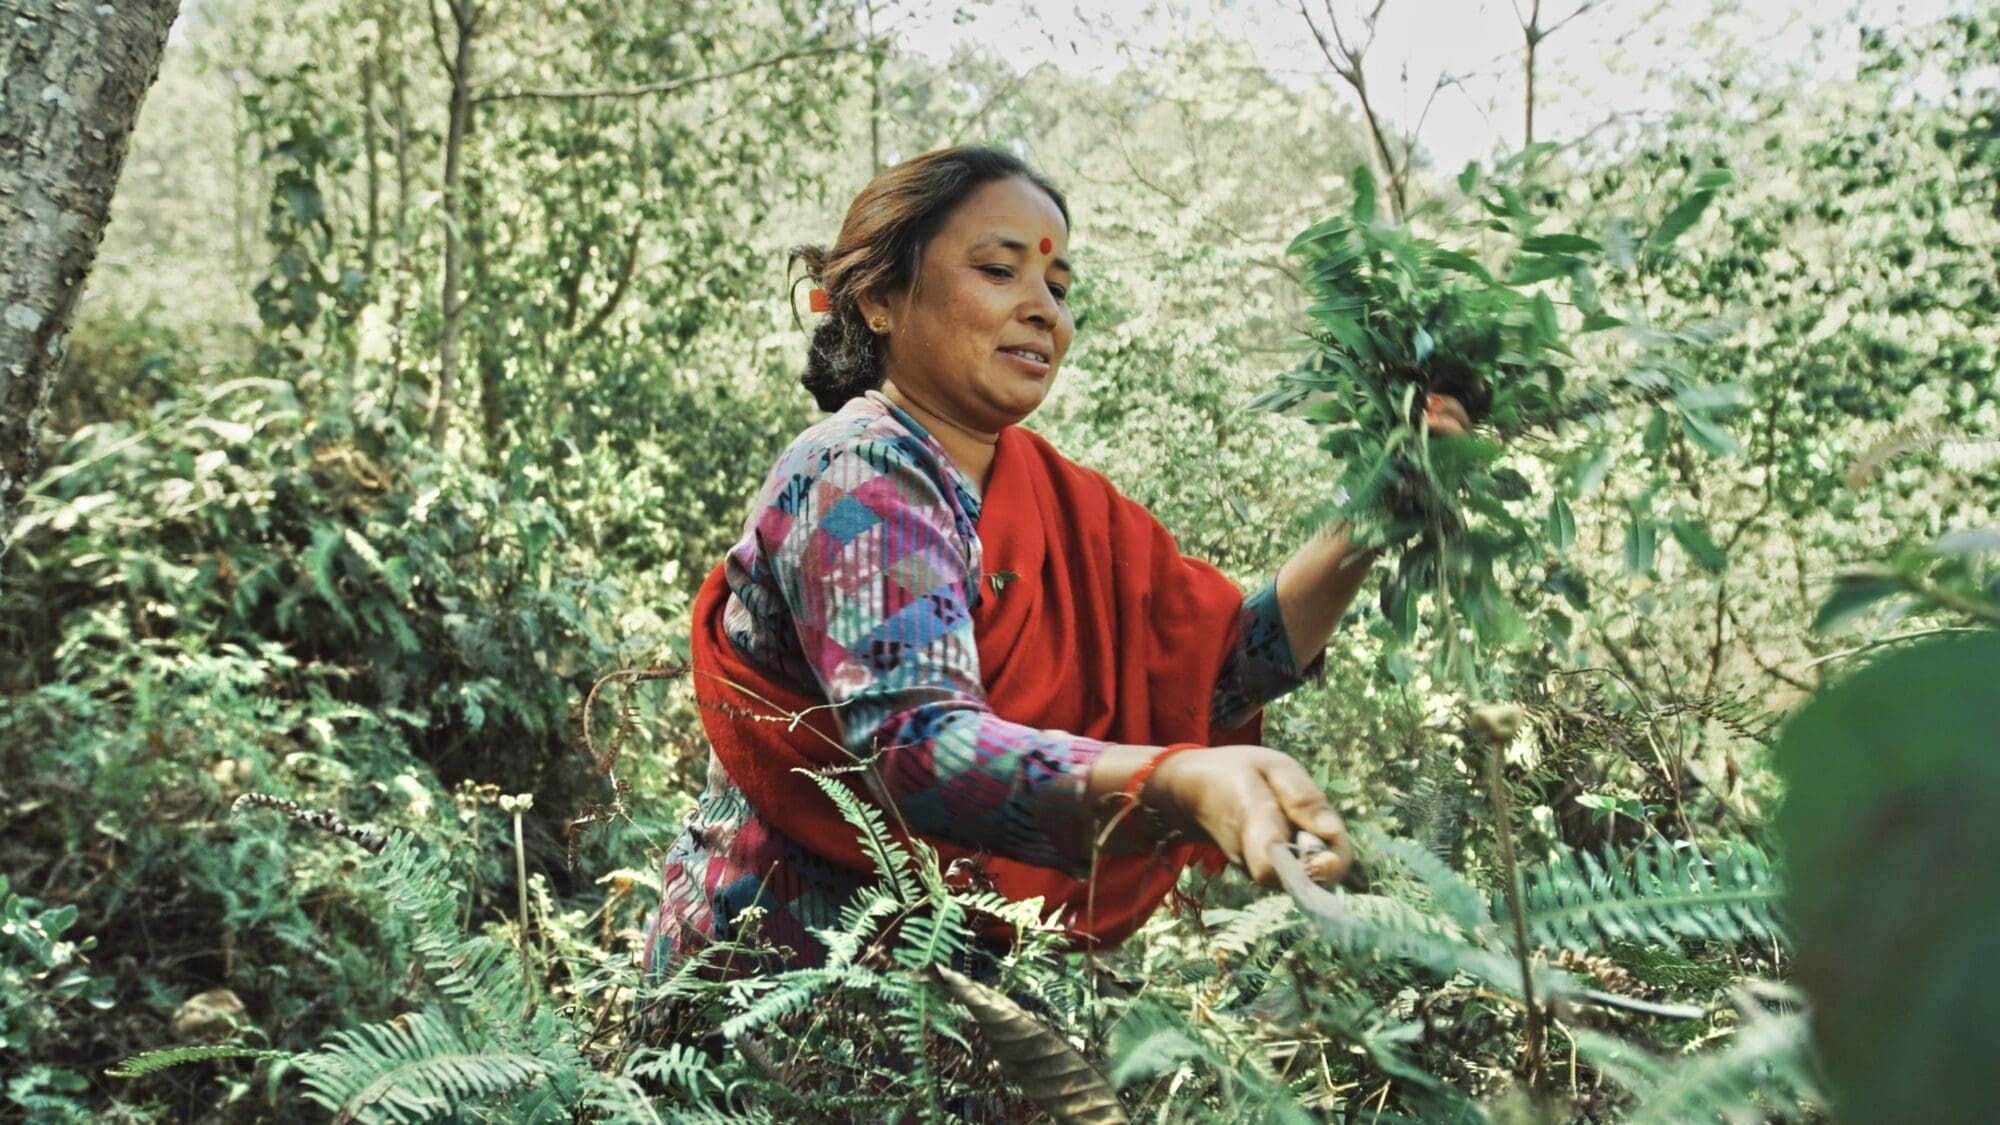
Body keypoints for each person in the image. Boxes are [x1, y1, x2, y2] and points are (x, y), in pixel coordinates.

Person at [643, 146, 1471, 979]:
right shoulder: (858, 472)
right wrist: (1176, 788)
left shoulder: (1054, 501)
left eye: (1060, 289)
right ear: (881, 299)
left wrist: (1379, 509)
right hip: (776, 992)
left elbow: (1221, 672)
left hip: (959, 997)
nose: (1044, 309)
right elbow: (920, 751)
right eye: (1001, 271)